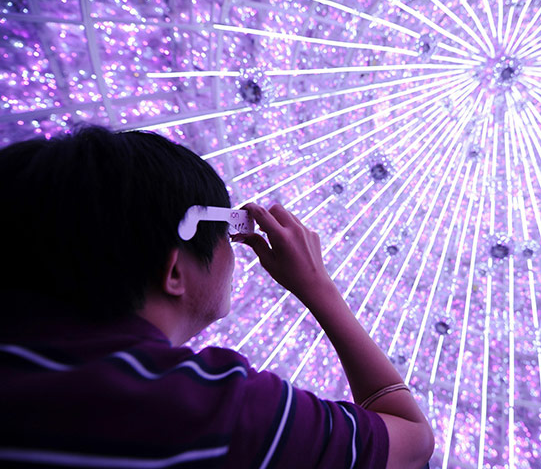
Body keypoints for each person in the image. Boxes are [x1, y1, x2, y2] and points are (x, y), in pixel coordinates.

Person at [0, 126, 434, 468]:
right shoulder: (211, 408)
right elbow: (413, 444)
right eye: (229, 229)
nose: (236, 247)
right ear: (174, 271)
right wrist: (319, 287)